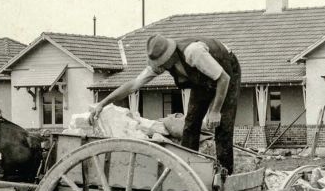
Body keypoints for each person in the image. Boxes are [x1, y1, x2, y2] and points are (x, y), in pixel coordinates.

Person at [90, 34, 241, 173]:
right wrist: (102, 104)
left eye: (162, 63)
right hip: (202, 81)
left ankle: (225, 176)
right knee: (190, 125)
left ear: (170, 56)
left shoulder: (193, 52)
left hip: (227, 72)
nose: (160, 68)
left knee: (223, 127)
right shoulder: (163, 63)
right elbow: (133, 85)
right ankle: (188, 172)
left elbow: (224, 79)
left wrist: (215, 111)